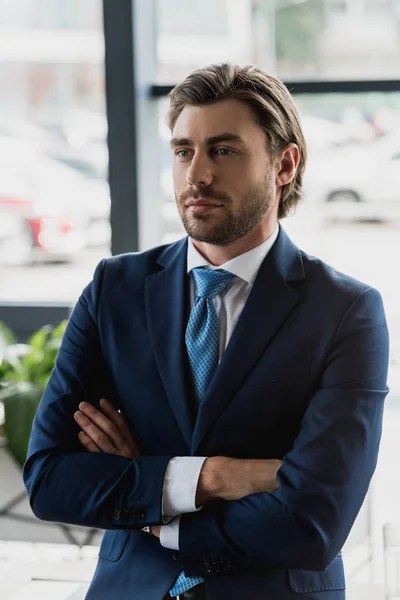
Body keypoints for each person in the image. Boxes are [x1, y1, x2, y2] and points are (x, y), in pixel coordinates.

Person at [23, 63, 389, 600]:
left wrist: (155, 505)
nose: (196, 175)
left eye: (223, 150)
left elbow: (314, 524)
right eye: (182, 151)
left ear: (284, 164)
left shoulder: (345, 310)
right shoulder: (114, 289)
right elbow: (51, 480)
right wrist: (213, 477)